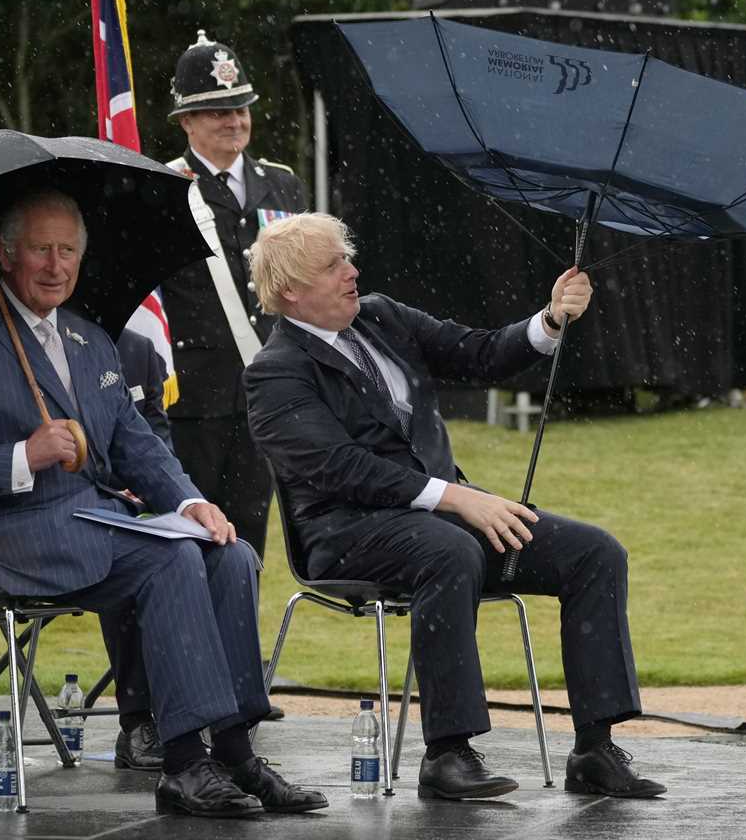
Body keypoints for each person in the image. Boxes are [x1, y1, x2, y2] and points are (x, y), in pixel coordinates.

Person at [0, 189, 326, 817]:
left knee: (225, 553)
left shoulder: (90, 338)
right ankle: (184, 764)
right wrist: (22, 455)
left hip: (96, 523)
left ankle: (236, 752)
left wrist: (189, 503)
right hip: (11, 539)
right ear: (5, 254)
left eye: (67, 250)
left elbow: (137, 446)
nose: (55, 265)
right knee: (167, 560)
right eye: (40, 249)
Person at [244, 213, 668, 801]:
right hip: (348, 534)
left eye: (348, 257)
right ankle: (448, 755)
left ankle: (595, 749)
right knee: (450, 552)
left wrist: (550, 320)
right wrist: (458, 498)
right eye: (334, 264)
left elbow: (479, 354)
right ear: (290, 290)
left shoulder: (381, 316)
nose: (352, 271)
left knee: (594, 552)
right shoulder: (275, 372)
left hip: (448, 521)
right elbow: (340, 469)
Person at [161, 30, 307, 560]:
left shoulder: (283, 185)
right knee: (191, 536)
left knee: (249, 534)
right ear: (186, 121)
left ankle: (242, 644)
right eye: (218, 111)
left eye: (240, 107)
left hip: (266, 392)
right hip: (194, 397)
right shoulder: (163, 188)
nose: (235, 121)